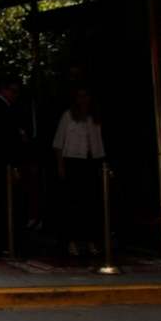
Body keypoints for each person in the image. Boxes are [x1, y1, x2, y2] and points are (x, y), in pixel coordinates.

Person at [52, 85, 107, 257]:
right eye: (80, 96)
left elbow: (99, 142)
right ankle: (72, 241)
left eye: (86, 96)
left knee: (91, 203)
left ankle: (91, 240)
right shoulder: (68, 116)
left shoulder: (94, 118)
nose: (83, 100)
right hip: (73, 162)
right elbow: (58, 143)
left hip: (91, 161)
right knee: (73, 204)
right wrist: (60, 165)